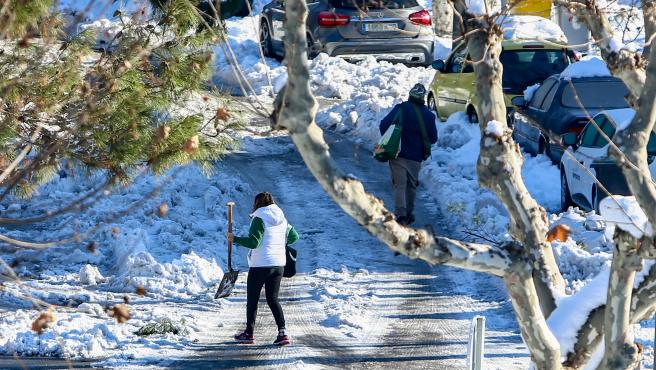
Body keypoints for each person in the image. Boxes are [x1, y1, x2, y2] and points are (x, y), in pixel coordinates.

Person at [228, 192, 299, 346]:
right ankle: (282, 332)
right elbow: (295, 236)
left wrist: (235, 239)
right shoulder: (282, 218)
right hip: (278, 265)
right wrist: (278, 243)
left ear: (257, 204)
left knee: (252, 300)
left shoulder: (259, 218)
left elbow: (254, 243)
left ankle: (249, 334)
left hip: (260, 265)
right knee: (273, 299)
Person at [379, 84, 438, 226]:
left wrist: (390, 140)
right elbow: (433, 138)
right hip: (416, 157)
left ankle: (400, 214)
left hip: (397, 153)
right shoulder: (429, 116)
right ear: (423, 98)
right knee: (411, 185)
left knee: (399, 184)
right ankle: (409, 213)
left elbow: (383, 125)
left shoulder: (401, 108)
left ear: (410, 95)